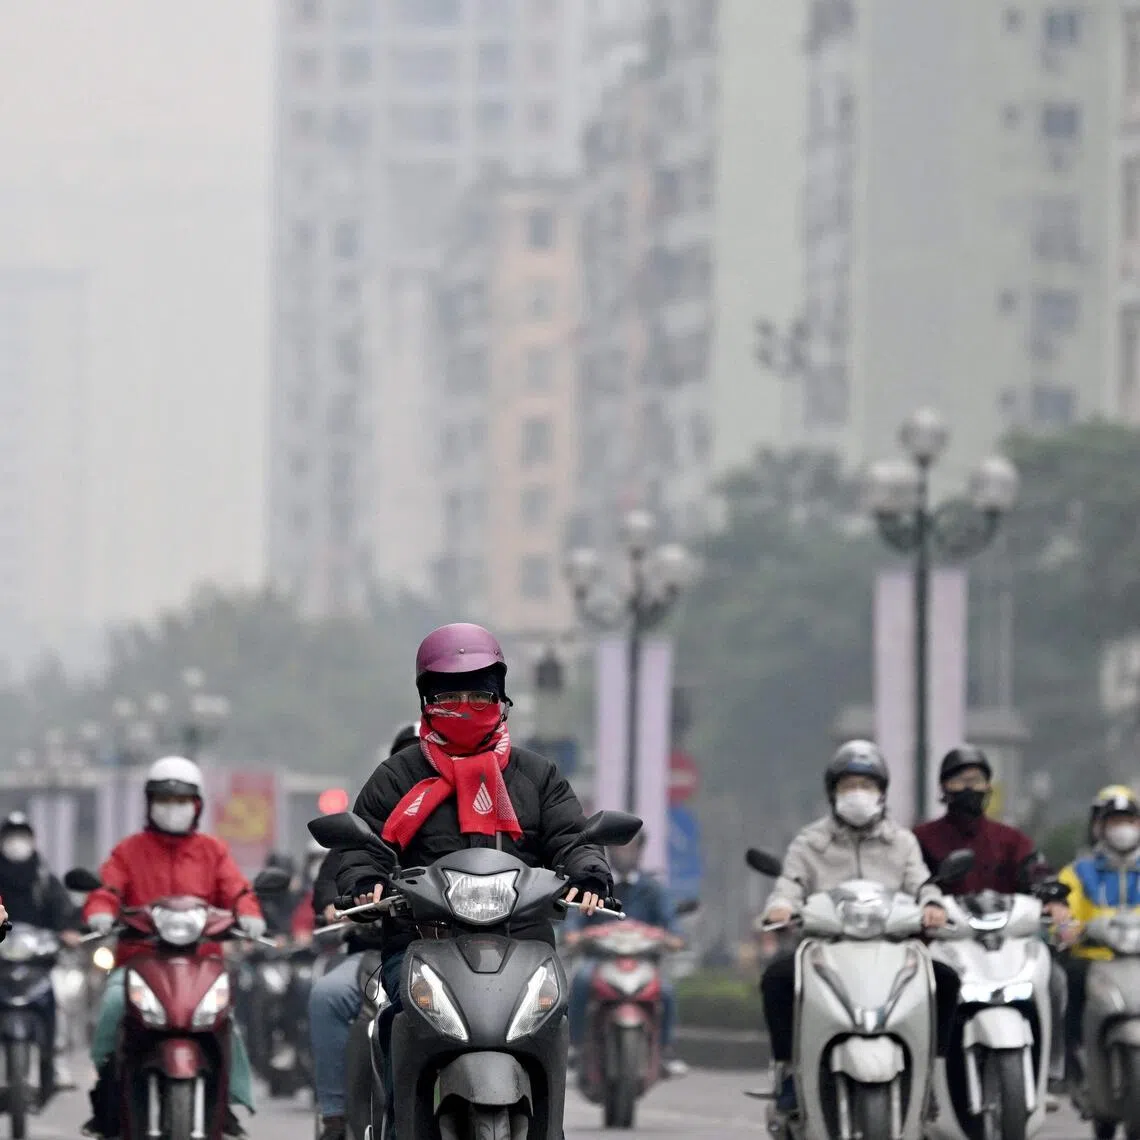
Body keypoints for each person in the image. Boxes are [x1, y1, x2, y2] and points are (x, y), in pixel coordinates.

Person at [334, 623, 612, 1140]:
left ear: (500, 696)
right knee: (396, 1020)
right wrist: (363, 881)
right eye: (450, 695)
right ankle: (397, 1127)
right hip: (422, 945)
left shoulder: (538, 776)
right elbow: (362, 845)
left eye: (478, 693)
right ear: (426, 700)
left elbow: (572, 837)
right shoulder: (395, 777)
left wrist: (588, 873)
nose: (465, 705)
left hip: (522, 946)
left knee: (554, 1019)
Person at [759, 741, 956, 1113]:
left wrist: (932, 905)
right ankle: (788, 1072)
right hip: (825, 949)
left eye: (867, 786)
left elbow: (922, 882)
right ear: (832, 792)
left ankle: (927, 1074)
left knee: (944, 980)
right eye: (849, 786)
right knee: (778, 980)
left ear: (882, 793)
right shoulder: (810, 842)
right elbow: (790, 883)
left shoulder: (902, 841)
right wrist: (782, 906)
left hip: (892, 950)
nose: (858, 794)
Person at [81, 756, 266, 1139]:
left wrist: (249, 915)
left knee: (226, 1023)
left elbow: (238, 890)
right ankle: (106, 1089)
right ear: (149, 803)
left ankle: (228, 1100)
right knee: (115, 1006)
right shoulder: (129, 851)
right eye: (164, 799)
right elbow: (107, 888)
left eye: (181, 800)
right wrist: (100, 911)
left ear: (196, 805)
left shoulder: (212, 851)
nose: (173, 807)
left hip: (202, 964)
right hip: (139, 960)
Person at [913, 746, 1071, 1093]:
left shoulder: (1010, 839)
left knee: (1054, 980)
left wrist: (1054, 900)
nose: (969, 788)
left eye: (977, 780)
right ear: (943, 788)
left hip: (1006, 944)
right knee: (917, 990)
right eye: (959, 780)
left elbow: (1037, 872)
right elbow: (911, 883)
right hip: (947, 946)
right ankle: (922, 1075)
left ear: (989, 788)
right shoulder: (921, 840)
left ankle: (1050, 1071)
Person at [309, 723, 417, 1140]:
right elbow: (331, 881)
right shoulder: (366, 822)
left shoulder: (476, 815)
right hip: (373, 956)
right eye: (406, 757)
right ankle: (335, 1116)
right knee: (327, 995)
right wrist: (338, 907)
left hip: (452, 952)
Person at [564, 832, 688, 1077]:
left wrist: (669, 938)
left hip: (642, 962)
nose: (624, 853)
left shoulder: (653, 890)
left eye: (630, 847)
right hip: (600, 960)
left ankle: (665, 1051)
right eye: (619, 848)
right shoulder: (594, 886)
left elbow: (674, 932)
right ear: (609, 852)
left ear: (641, 851)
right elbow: (572, 926)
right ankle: (575, 1049)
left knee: (666, 991)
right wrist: (576, 936)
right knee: (580, 982)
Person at [1057, 786, 1140, 1087]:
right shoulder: (1078, 872)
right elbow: (1063, 912)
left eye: (1128, 820)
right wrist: (1067, 928)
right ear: (1099, 826)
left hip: (1137, 960)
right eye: (1114, 820)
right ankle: (1073, 1056)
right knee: (1067, 983)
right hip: (1093, 961)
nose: (1122, 829)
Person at [0, 812, 84, 1086]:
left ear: (33, 841)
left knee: (62, 997)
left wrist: (70, 931)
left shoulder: (45, 879)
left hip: (41, 963)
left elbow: (64, 910)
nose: (16, 843)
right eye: (11, 837)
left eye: (22, 837)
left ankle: (58, 1059)